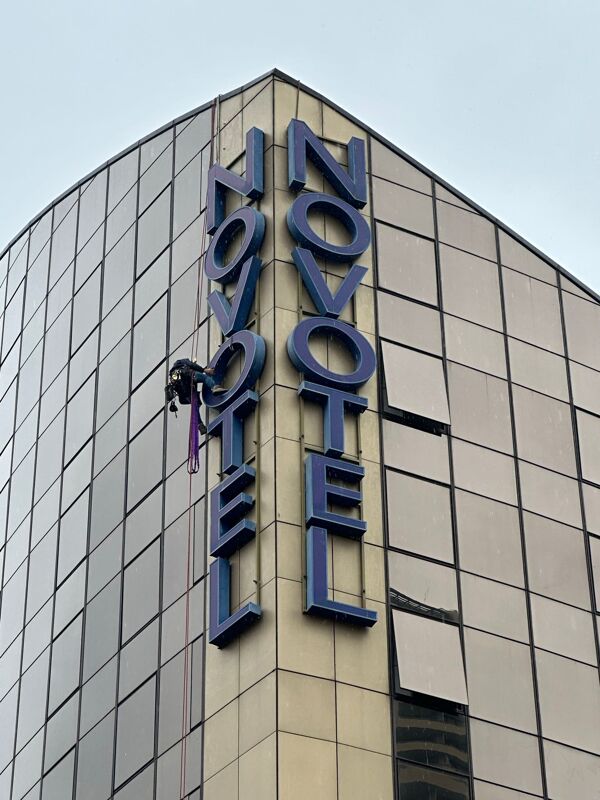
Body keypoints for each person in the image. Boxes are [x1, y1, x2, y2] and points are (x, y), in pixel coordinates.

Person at [165, 358, 226, 434]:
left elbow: (182, 398)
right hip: (190, 376)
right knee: (205, 378)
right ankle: (214, 388)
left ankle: (200, 424)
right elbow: (192, 365)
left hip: (186, 391)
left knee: (195, 406)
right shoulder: (182, 362)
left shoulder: (173, 376)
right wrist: (204, 370)